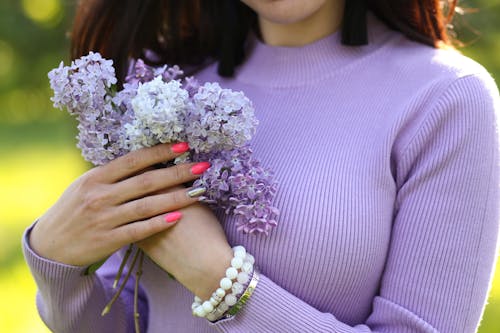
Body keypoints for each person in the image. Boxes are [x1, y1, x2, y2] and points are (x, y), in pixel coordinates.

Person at [23, 0, 500, 332]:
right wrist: (55, 264)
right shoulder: (165, 82)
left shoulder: (445, 99)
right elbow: (133, 319)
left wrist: (222, 281)